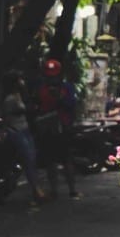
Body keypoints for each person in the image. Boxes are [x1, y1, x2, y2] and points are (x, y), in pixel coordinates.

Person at [31, 58, 81, 200]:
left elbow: (71, 105)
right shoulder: (40, 88)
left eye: (54, 74)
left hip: (62, 128)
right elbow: (36, 105)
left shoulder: (67, 88)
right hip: (47, 129)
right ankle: (54, 190)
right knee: (50, 161)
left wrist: (59, 99)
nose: (51, 77)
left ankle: (72, 190)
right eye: (49, 74)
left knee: (66, 160)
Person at [1, 73, 47, 204]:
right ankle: (36, 190)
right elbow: (9, 116)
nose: (22, 81)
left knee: (32, 160)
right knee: (28, 159)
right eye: (19, 80)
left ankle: (36, 189)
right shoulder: (10, 99)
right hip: (16, 131)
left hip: (25, 129)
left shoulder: (21, 95)